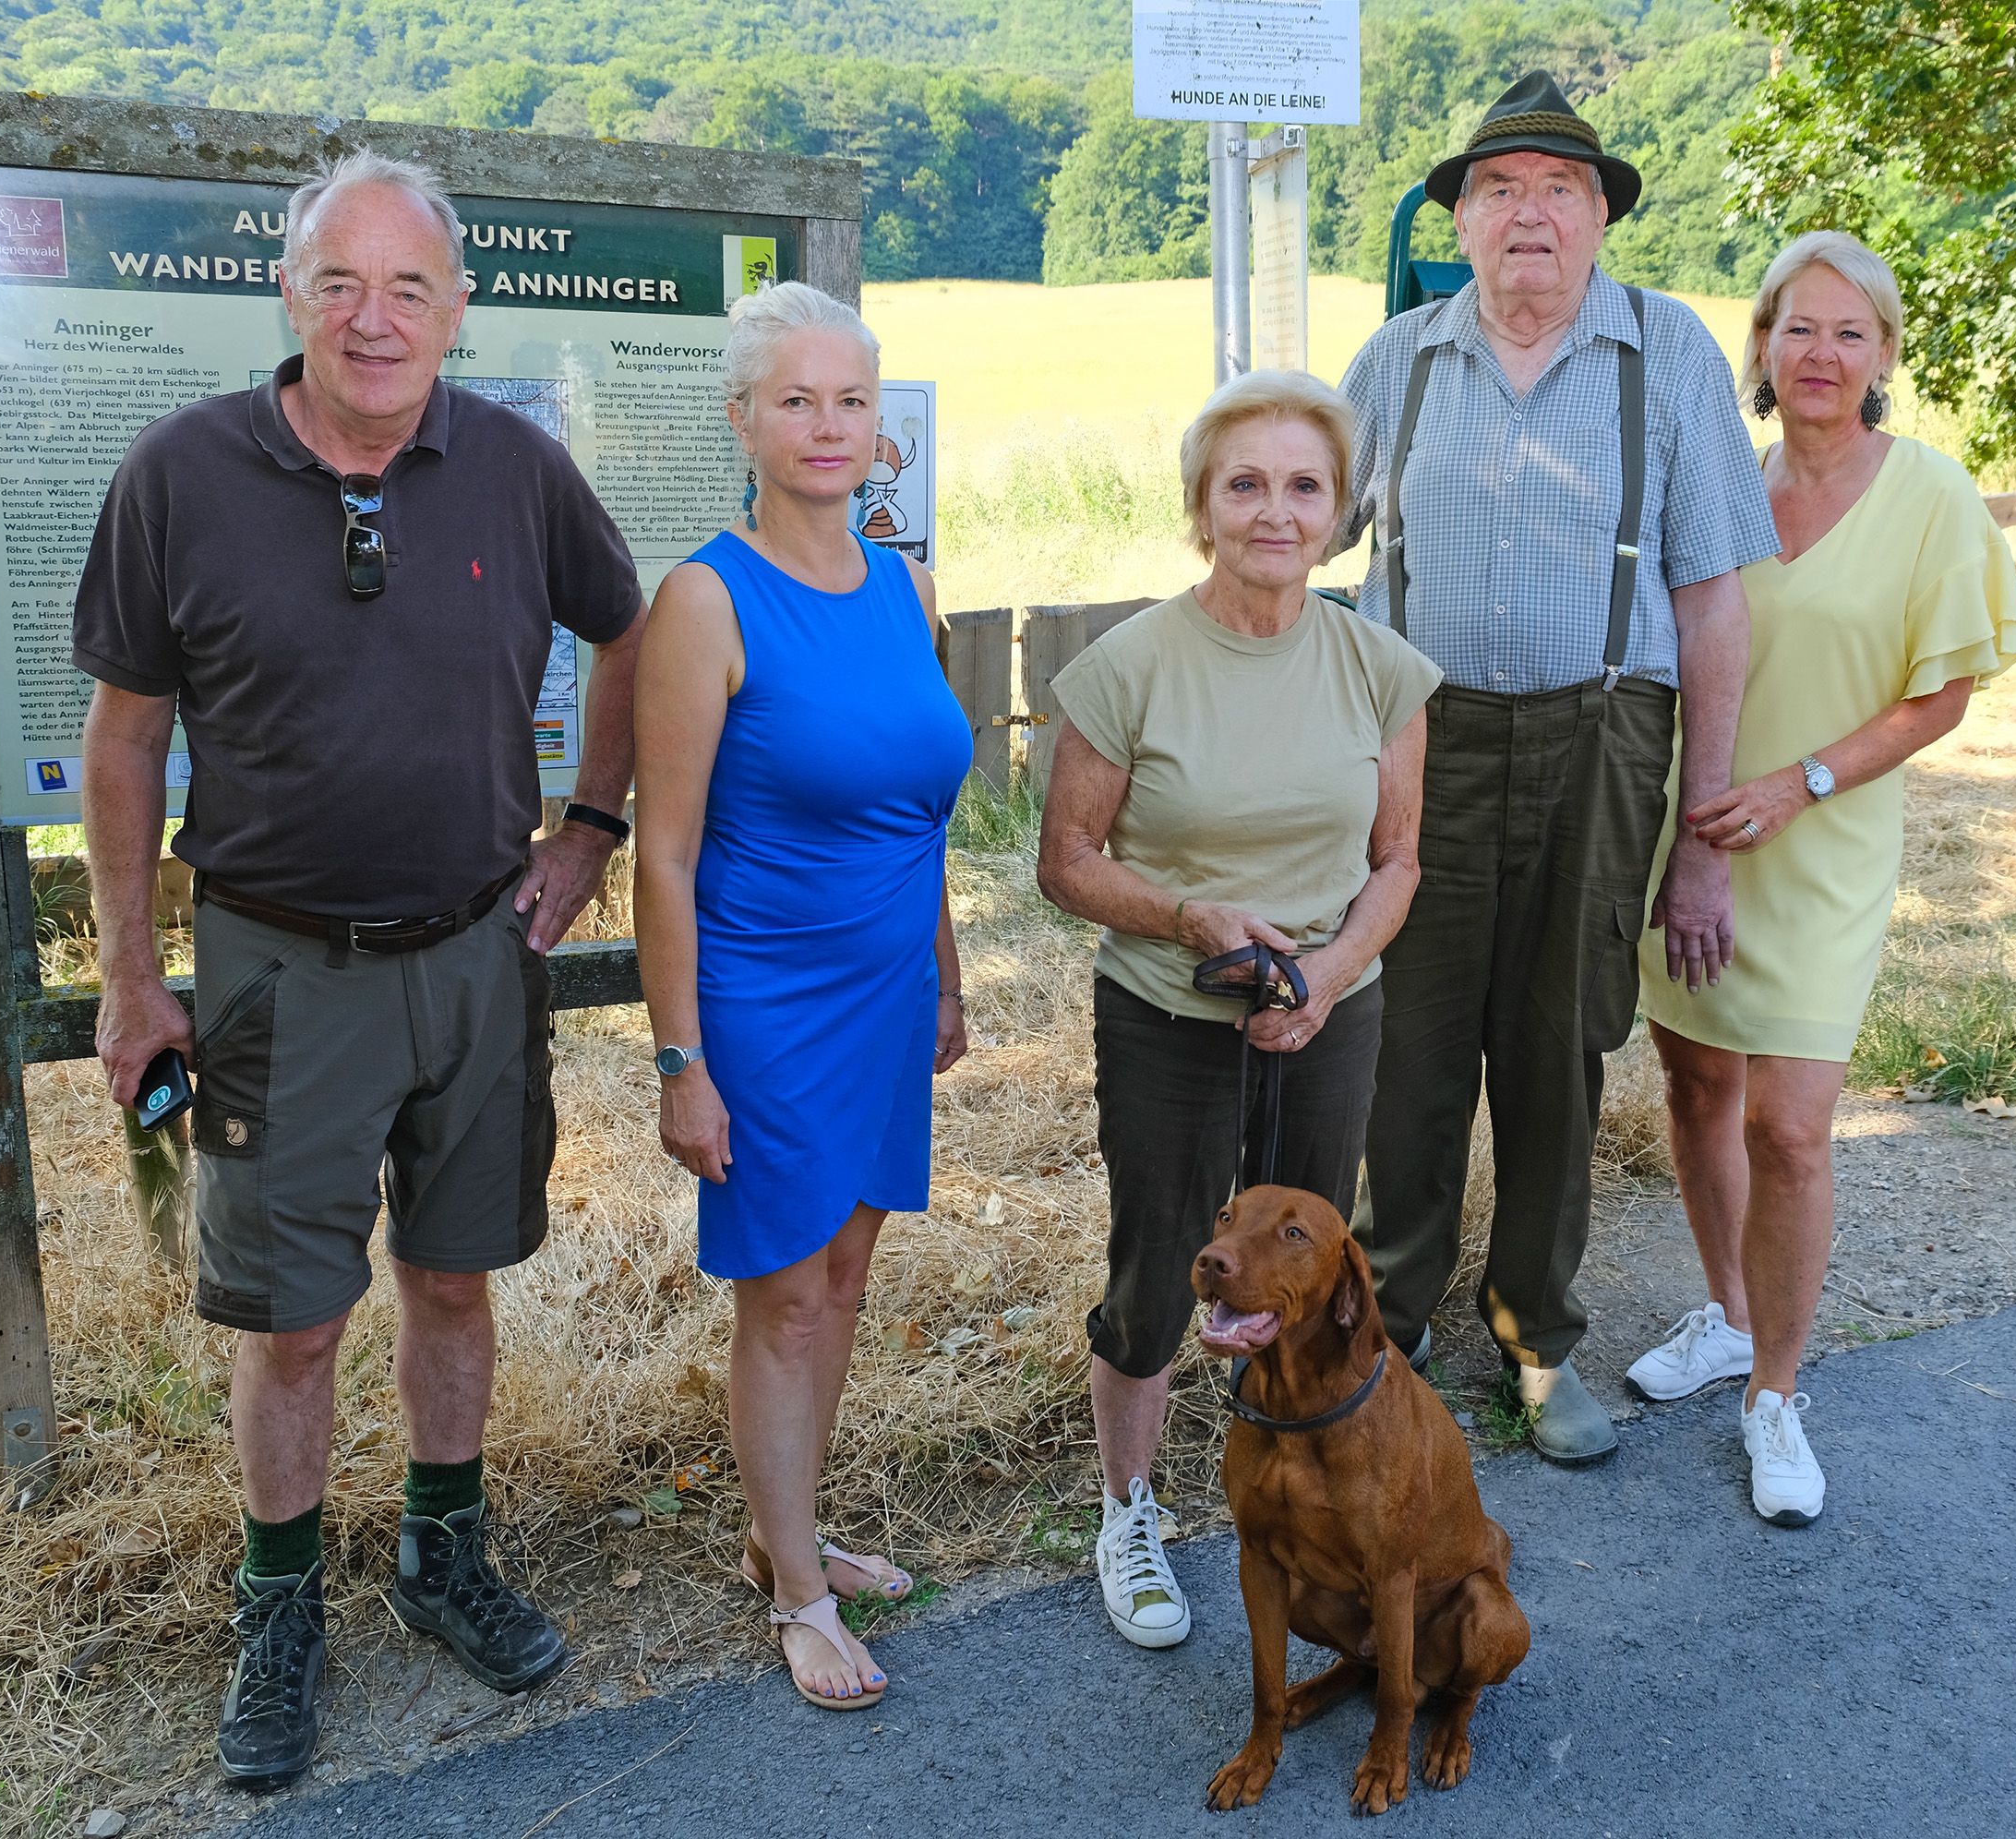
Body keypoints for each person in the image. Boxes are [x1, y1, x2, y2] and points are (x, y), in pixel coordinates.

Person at [75, 150, 647, 1784]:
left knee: (456, 1275)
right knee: (295, 1321)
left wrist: (588, 825)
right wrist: (132, 975)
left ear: (458, 308)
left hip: (478, 952)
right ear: (289, 294)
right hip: (274, 971)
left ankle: (440, 1549)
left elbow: (630, 629)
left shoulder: (517, 471)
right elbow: (122, 738)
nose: (375, 318)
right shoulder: (180, 473)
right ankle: (280, 1602)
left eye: (409, 288)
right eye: (341, 283)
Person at [1335, 73, 1780, 1466]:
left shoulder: (1671, 353)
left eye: (1559, 190)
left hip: (1603, 738)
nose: (1528, 213)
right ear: (1454, 221)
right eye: (1498, 190)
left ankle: (1535, 1336)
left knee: (1556, 1049)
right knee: (1403, 1049)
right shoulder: (1394, 359)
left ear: (1599, 221)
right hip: (1418, 739)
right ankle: (1383, 1328)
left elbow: (1711, 600)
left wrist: (1701, 835)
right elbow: (1292, 555)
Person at [1626, 230, 2016, 1527]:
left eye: (1848, 334)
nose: (1818, 354)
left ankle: (1776, 1398)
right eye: (1796, 328)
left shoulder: (1930, 496)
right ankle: (1727, 1319)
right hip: (1688, 846)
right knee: (1692, 1084)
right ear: (1758, 348)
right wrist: (1696, 823)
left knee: (1787, 1128)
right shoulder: (1717, 491)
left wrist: (1798, 782)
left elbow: (1941, 696)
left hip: (1824, 847)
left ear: (1883, 359)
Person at [1037, 369, 1438, 1651]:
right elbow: (1069, 861)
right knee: (1167, 1274)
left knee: (1302, 1281)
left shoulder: (1381, 669)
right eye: (1245, 484)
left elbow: (1397, 864)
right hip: (1167, 1015)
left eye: (1303, 486)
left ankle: (1292, 1487)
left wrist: (1322, 981)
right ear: (1202, 506)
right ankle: (1131, 1510)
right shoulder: (1127, 667)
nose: (1276, 511)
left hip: (1332, 1015)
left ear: (1338, 512)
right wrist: (1194, 920)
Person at [632, 281, 972, 1711]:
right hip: (763, 1004)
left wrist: (947, 975)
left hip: (888, 994)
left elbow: (924, 816)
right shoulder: (706, 598)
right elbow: (662, 849)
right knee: (783, 1296)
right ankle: (794, 1591)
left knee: (842, 1280)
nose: (826, 426)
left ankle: (795, 1526)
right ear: (743, 420)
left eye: (850, 401)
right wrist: (678, 1061)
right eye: (795, 400)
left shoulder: (904, 584)